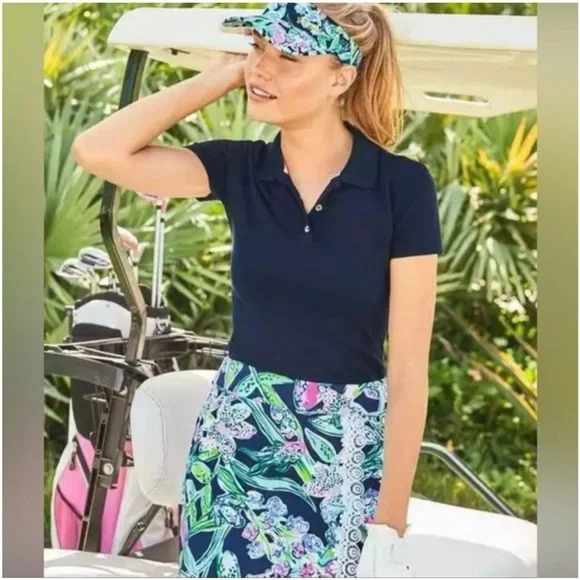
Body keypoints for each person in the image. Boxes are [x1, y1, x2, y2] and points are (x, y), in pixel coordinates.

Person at [72, 3, 443, 577]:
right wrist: (220, 75)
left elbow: (410, 373)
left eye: (288, 56)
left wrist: (389, 525)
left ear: (340, 78)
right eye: (259, 49)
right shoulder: (239, 169)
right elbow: (98, 151)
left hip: (343, 454)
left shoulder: (401, 187)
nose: (263, 68)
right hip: (233, 446)